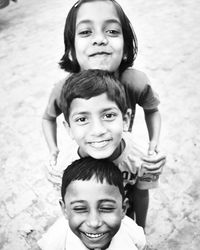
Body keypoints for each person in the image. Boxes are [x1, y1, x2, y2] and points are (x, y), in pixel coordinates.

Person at [42, 0, 165, 228]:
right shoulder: (64, 89)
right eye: (86, 31)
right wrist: (53, 151)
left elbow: (153, 110)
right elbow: (48, 118)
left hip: (121, 149)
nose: (99, 39)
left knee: (137, 190)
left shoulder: (134, 82)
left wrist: (154, 144)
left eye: (112, 31)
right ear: (71, 49)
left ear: (126, 45)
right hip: (87, 157)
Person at [47, 69, 165, 229]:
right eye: (82, 119)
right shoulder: (63, 166)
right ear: (69, 129)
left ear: (125, 119)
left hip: (126, 216)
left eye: (108, 115)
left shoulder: (144, 159)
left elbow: (142, 194)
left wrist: (140, 229)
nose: (98, 130)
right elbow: (70, 206)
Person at [38, 157, 147, 250]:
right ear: (65, 209)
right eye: (80, 209)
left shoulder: (131, 232)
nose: (94, 223)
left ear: (123, 208)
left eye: (106, 208)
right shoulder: (56, 239)